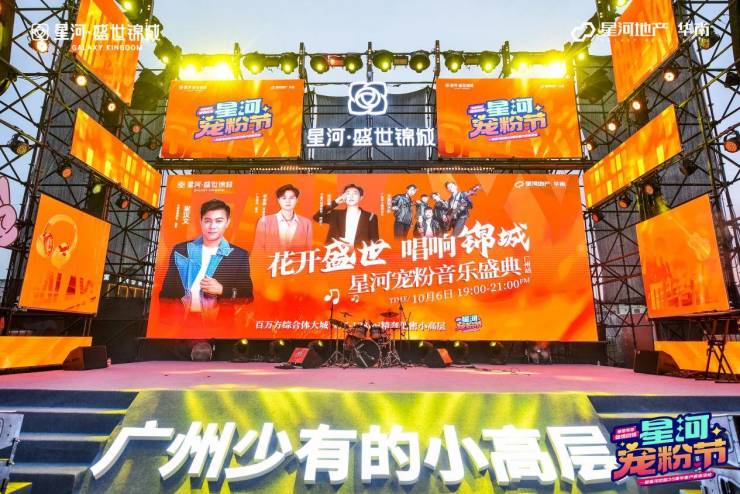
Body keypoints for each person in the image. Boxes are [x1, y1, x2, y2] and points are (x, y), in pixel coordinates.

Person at [160, 199, 253, 314]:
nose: (212, 226)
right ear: (201, 221)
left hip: (219, 322)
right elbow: (166, 292)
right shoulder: (181, 250)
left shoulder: (238, 255)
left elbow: (247, 296)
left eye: (219, 221)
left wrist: (222, 290)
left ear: (227, 223)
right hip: (179, 320)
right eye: (207, 221)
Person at [253, 184, 313, 255]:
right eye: (284, 198)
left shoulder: (306, 223)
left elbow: (308, 252)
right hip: (270, 262)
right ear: (278, 200)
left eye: (291, 198)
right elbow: (258, 249)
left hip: (296, 262)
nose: (288, 201)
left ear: (296, 200)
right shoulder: (264, 221)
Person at [313, 183, 379, 247]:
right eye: (347, 193)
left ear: (361, 198)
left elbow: (375, 241)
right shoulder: (335, 214)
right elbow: (317, 217)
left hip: (359, 253)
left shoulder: (370, 217)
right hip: (336, 252)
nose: (351, 196)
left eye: (355, 193)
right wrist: (335, 202)